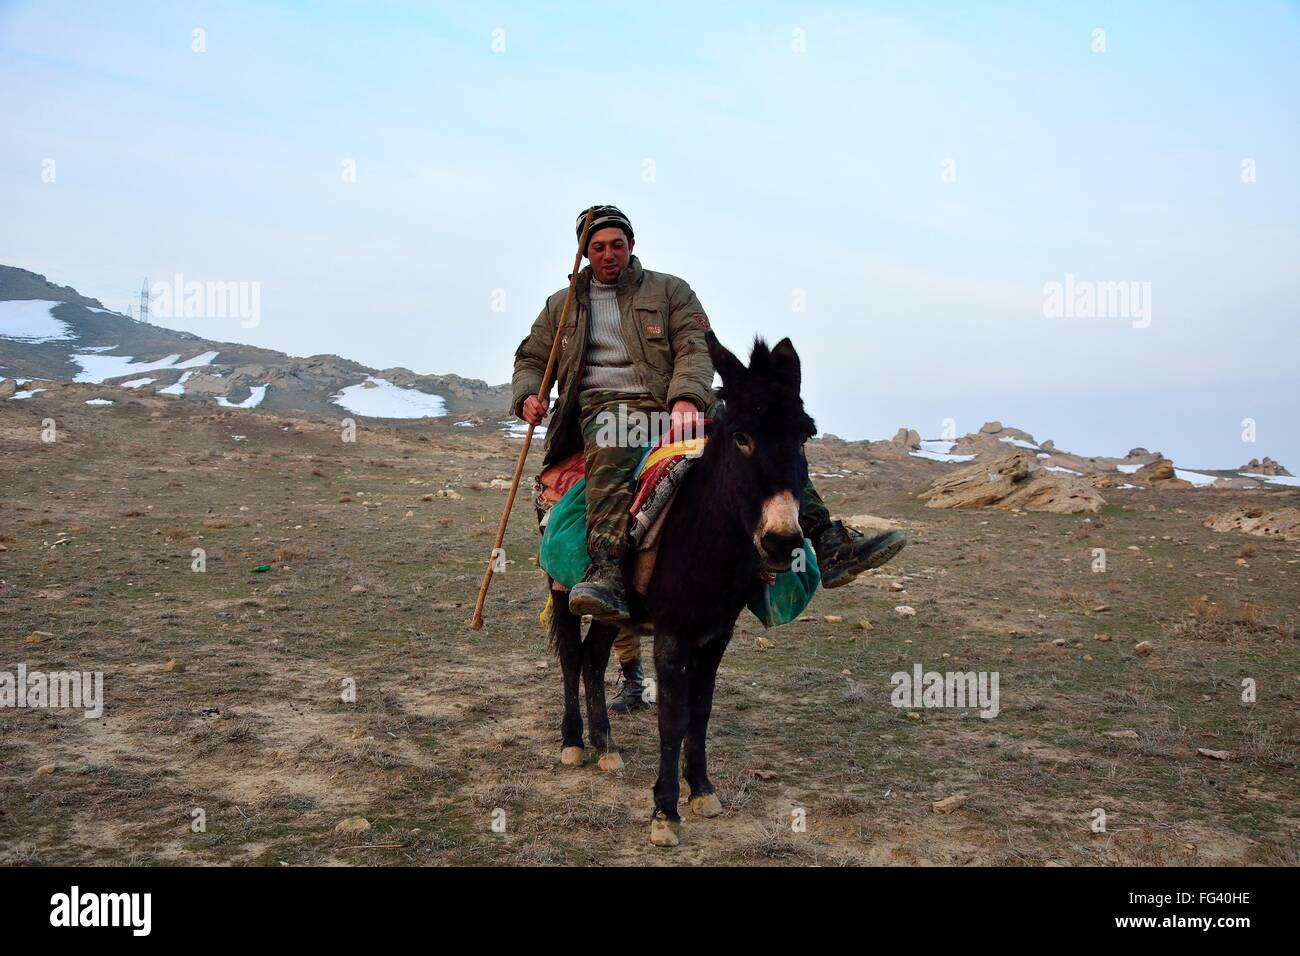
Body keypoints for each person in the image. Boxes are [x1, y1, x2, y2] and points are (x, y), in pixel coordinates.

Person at [513, 205, 905, 711]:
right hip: (604, 409)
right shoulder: (563, 305)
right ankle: (608, 570)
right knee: (611, 450)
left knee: (759, 438)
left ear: (631, 245)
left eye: (617, 243)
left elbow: (696, 347)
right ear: (584, 251)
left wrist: (686, 397)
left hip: (674, 402)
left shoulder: (670, 291)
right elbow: (532, 357)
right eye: (598, 246)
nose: (608, 253)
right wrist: (527, 393)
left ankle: (825, 540)